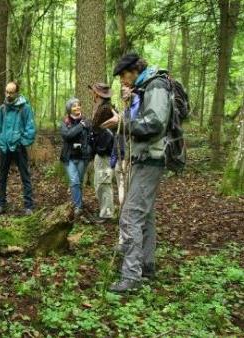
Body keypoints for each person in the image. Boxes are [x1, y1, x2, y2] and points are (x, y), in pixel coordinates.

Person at [104, 53, 171, 293]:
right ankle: (147, 265)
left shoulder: (156, 86)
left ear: (135, 70)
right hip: (144, 158)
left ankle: (131, 277)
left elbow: (155, 124)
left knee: (130, 216)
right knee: (146, 215)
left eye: (124, 75)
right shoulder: (144, 88)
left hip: (150, 159)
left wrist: (122, 123)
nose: (122, 80)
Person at [0, 81, 36, 216]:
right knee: (2, 177)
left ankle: (28, 206)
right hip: (5, 149)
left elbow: (30, 129)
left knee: (25, 176)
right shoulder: (2, 109)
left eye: (11, 92)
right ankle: (1, 204)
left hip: (19, 149)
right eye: (7, 92)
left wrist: (22, 142)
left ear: (17, 93)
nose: (8, 95)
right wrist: (0, 142)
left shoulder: (25, 108)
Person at [60, 98, 92, 216]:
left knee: (79, 181)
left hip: (83, 156)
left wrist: (89, 150)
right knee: (74, 181)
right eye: (74, 106)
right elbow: (67, 135)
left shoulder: (86, 121)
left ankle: (77, 201)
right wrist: (80, 127)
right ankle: (78, 207)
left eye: (78, 106)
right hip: (69, 157)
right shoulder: (65, 122)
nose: (77, 108)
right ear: (69, 109)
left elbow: (90, 137)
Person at [89, 83, 116, 222]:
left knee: (104, 182)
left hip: (105, 152)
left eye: (94, 92)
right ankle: (104, 211)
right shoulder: (100, 107)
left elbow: (100, 130)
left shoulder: (105, 109)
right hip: (101, 151)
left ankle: (107, 214)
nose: (92, 94)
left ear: (98, 94)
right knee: (99, 182)